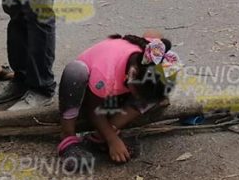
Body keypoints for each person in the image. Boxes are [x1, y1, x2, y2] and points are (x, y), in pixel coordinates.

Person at [56, 34, 178, 164]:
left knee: (152, 96)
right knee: (75, 72)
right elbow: (94, 110)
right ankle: (68, 136)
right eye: (139, 95)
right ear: (132, 74)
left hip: (116, 91)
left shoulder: (152, 55)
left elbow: (154, 36)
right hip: (88, 93)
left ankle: (101, 135)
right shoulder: (105, 74)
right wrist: (112, 139)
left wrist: (110, 136)